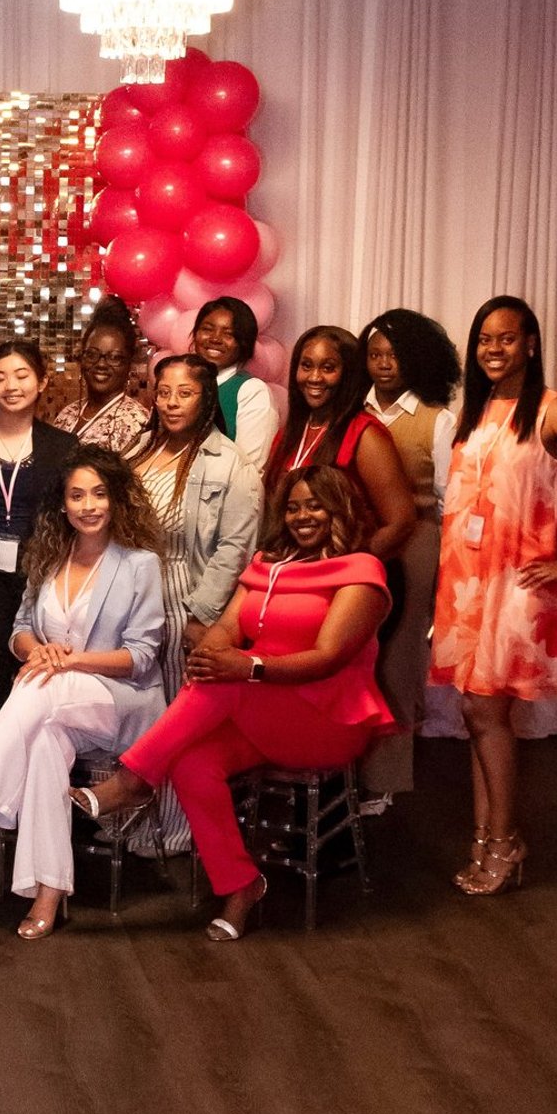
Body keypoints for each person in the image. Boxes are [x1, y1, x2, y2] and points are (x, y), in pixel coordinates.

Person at [75, 467, 394, 943]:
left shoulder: (361, 572)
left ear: (340, 509)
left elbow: (327, 658)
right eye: (293, 507)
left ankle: (132, 780)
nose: (302, 516)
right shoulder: (269, 565)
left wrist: (246, 668)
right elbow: (228, 627)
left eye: (315, 505)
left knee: (226, 679)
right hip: (263, 709)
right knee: (189, 762)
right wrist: (211, 653)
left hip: (325, 719)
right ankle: (242, 885)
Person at [0, 449, 168, 940]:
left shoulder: (139, 564)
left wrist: (66, 660)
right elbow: (19, 630)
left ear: (116, 500)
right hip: (56, 702)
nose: (89, 506)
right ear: (62, 504)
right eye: (77, 495)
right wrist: (38, 651)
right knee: (43, 744)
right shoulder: (48, 557)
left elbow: (143, 656)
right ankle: (49, 891)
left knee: (42, 684)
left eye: (99, 494)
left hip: (122, 700)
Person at [432, 296, 557, 895]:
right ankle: (487, 836)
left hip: (517, 586)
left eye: (506, 338)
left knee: (486, 713)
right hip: (467, 583)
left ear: (531, 344)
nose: (493, 350)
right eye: (484, 340)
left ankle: (504, 841)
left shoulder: (553, 410)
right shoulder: (474, 411)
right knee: (477, 714)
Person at [127, 353, 265, 852]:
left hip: (185, 592)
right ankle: (135, 823)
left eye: (184, 393)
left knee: (174, 714)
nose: (171, 402)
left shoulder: (231, 463)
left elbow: (237, 549)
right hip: (132, 591)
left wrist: (201, 615)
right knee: (140, 710)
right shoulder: (140, 449)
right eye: (164, 392)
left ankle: (178, 832)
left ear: (206, 398)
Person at [357, 308, 462, 803]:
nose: (383, 364)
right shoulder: (351, 407)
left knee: (397, 658)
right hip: (356, 542)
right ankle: (342, 765)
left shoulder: (436, 419)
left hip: (415, 544)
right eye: (375, 354)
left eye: (394, 356)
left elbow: (449, 499)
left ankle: (385, 781)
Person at [0, 342, 78, 715]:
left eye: (22, 375)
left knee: (34, 679)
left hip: (40, 579)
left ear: (41, 382)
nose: (11, 385)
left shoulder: (64, 447)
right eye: (0, 377)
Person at [262, 325, 415, 564]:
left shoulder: (365, 434)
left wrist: (348, 569)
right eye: (306, 366)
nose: (314, 377)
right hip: (291, 572)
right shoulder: (288, 434)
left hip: (344, 581)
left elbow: (401, 523)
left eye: (328, 368)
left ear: (348, 374)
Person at [46, 298, 150, 456]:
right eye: (92, 354)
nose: (101, 364)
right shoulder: (68, 413)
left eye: (114, 357)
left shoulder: (137, 422)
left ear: (129, 363)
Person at [191, 297, 277, 475]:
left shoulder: (251, 391)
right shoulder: (181, 384)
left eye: (228, 334)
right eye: (207, 329)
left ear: (243, 343)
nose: (215, 338)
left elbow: (250, 471)